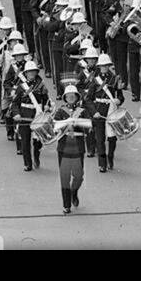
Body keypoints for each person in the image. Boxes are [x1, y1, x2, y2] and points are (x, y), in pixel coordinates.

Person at [54, 83, 90, 214]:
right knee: (64, 177)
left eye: (72, 96)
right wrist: (67, 122)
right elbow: (55, 126)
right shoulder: (60, 111)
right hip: (64, 147)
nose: (70, 98)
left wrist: (76, 122)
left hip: (78, 147)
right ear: (65, 98)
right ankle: (66, 204)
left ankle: (73, 192)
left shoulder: (82, 111)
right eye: (68, 96)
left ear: (76, 97)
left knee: (79, 176)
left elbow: (89, 124)